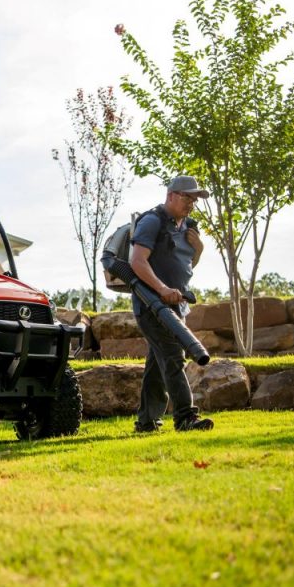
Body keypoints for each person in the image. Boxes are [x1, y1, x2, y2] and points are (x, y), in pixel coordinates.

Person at [129, 175, 214, 432]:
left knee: (158, 365)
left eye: (195, 199)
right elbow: (137, 261)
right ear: (170, 196)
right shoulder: (152, 221)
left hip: (177, 305)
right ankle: (186, 418)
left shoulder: (189, 227)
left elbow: (185, 266)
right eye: (187, 197)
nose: (191, 203)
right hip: (151, 304)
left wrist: (198, 250)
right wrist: (163, 289)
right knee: (174, 357)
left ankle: (146, 422)